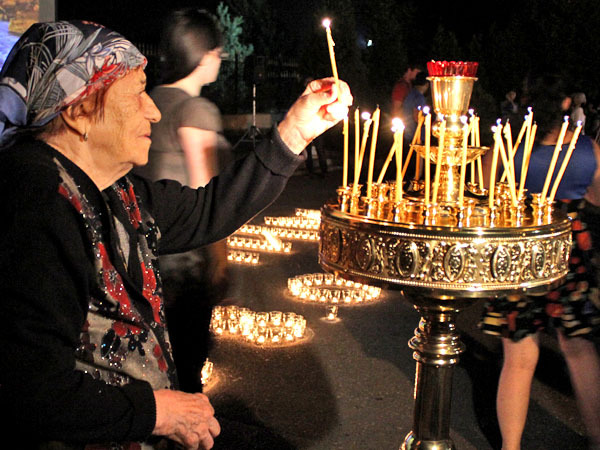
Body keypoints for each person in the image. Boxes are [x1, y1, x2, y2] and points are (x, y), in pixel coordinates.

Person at [0, 20, 352, 449]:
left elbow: (206, 210)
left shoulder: (112, 190)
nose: (153, 110)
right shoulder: (37, 202)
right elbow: (31, 390)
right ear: (78, 110)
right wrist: (159, 413)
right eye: (136, 93)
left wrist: (295, 131)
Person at [481, 76, 600, 450]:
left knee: (518, 354)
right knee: (578, 347)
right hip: (570, 248)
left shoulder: (509, 147)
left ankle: (511, 445)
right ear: (566, 104)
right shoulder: (588, 149)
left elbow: (483, 191)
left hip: (521, 247)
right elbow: (598, 197)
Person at [134, 8, 231, 393]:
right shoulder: (196, 111)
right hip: (183, 268)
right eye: (217, 51)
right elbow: (208, 201)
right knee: (187, 373)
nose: (221, 58)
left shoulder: (150, 100)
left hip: (141, 256)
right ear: (202, 55)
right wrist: (220, 265)